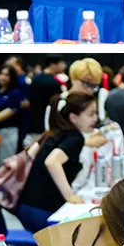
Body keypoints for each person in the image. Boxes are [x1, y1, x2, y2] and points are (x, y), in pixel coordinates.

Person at [10, 91, 94, 232]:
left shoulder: (54, 133)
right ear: (73, 117)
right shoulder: (75, 138)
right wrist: (70, 196)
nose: (95, 119)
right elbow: (52, 162)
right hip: (42, 210)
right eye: (91, 114)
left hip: (25, 206)